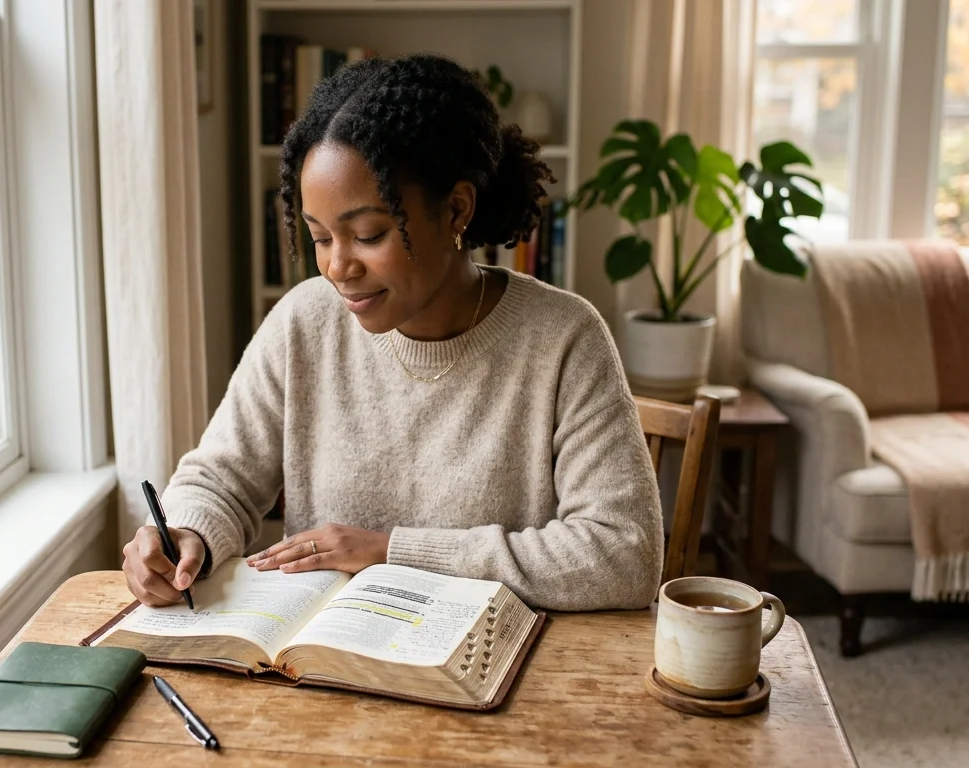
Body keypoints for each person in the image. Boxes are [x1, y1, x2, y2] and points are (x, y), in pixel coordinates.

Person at [122, 53, 663, 612]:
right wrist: (187, 535)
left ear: (455, 211)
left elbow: (624, 555)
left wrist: (394, 552)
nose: (337, 267)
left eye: (368, 234)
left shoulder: (564, 339)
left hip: (497, 678)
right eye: (321, 237)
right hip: (329, 666)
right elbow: (219, 478)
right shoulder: (304, 322)